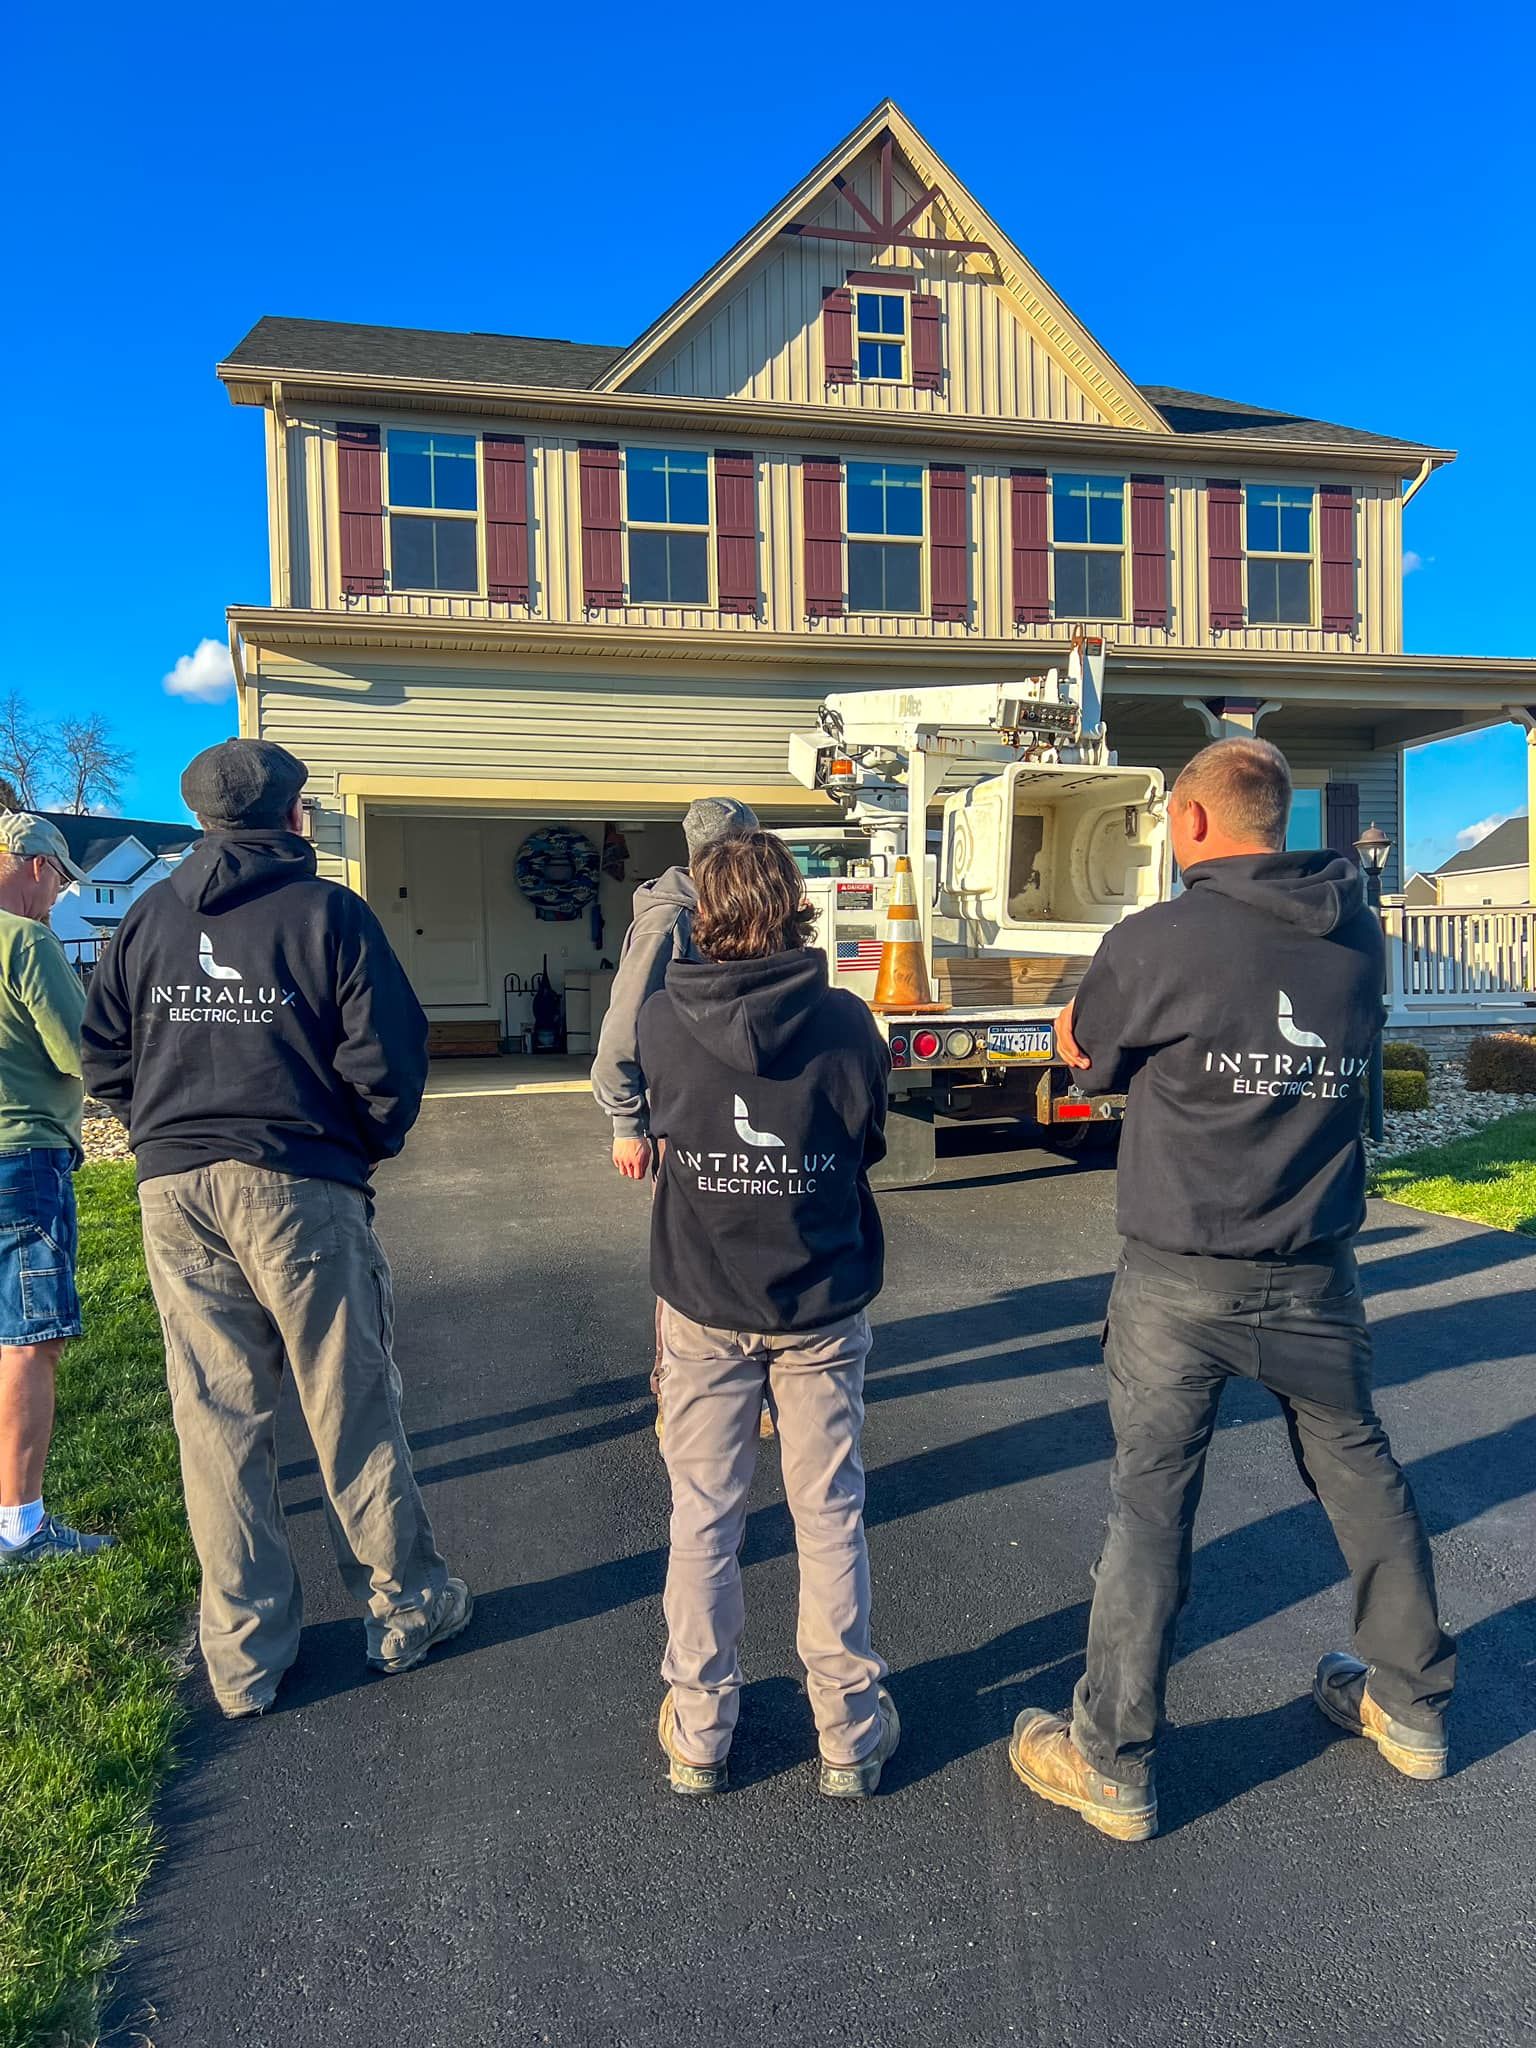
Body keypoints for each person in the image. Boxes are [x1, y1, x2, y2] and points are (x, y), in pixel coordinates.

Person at [1006, 737, 1456, 1841]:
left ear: (1195, 823)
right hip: (1316, 1272)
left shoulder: (1157, 938)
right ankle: (1411, 1705)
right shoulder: (1357, 933)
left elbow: (1087, 1054)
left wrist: (1076, 1030)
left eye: (1169, 819)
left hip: (1177, 1278)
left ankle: (1111, 1758)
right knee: (1362, 1476)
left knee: (1150, 1503)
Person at [81, 740, 469, 1717]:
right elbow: (390, 1054)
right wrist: (363, 1143)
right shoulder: (328, 913)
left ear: (206, 818)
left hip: (175, 1192)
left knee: (214, 1418)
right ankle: (405, 1606)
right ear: (295, 818)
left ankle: (246, 1657)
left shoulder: (144, 918)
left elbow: (104, 1056)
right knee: (348, 1400)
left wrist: (159, 1133)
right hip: (300, 1181)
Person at [637, 829, 898, 1797]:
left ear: (705, 915)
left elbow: (660, 1126)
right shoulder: (844, 1023)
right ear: (796, 905)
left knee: (702, 1513)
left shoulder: (665, 1022)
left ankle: (699, 1728)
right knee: (827, 1510)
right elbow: (866, 1136)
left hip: (705, 1301)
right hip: (820, 1299)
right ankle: (848, 1728)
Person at [591, 795, 772, 1438]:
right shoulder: (670, 919)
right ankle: (676, 1391)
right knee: (687, 1261)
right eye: (747, 845)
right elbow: (623, 1026)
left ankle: (757, 1387)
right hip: (682, 1116)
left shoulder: (742, 909)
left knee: (748, 1246)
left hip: (739, 1110)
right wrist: (626, 1123)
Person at [0, 814, 116, 1568]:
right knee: (27, 1343)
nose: (64, 897)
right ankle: (21, 1528)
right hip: (22, 1160)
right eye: (65, 881)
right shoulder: (26, 939)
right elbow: (82, 1052)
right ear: (38, 866)